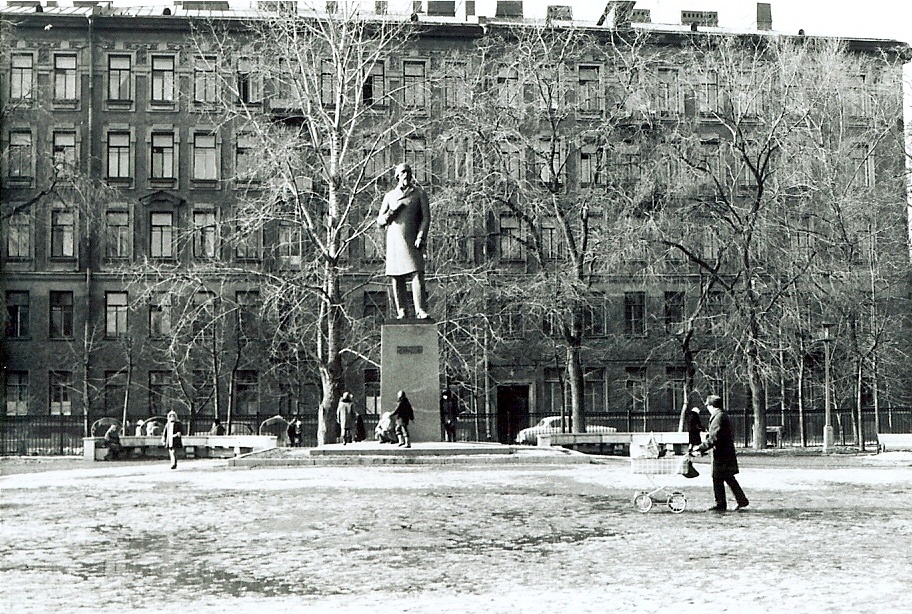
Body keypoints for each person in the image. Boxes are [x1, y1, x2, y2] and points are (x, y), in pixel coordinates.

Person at [376, 163, 431, 319]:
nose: (406, 175)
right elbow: (379, 221)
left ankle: (420, 310)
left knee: (417, 272)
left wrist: (421, 236)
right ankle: (402, 310)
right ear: (397, 176)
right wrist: (390, 214)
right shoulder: (390, 196)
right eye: (403, 172)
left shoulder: (419, 193)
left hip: (413, 240)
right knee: (397, 275)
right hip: (395, 240)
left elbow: (426, 218)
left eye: (408, 172)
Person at [695, 395, 749, 512]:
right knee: (728, 477)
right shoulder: (721, 415)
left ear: (711, 406)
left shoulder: (718, 417)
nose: (707, 408)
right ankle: (741, 500)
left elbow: (714, 438)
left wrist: (700, 447)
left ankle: (721, 504)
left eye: (708, 405)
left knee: (717, 478)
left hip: (721, 454)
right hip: (725, 452)